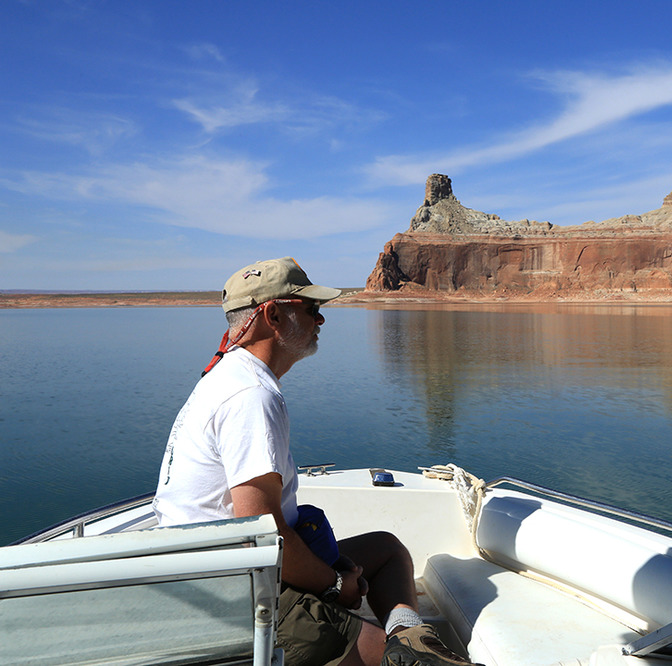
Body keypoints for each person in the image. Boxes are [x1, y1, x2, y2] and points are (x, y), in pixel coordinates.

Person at [153, 257, 479, 666]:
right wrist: (334, 584)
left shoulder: (229, 376)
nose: (320, 321)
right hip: (231, 589)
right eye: (311, 309)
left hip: (222, 567)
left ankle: (410, 638)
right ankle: (400, 653)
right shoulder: (250, 396)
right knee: (392, 656)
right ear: (272, 314)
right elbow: (259, 531)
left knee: (386, 549)